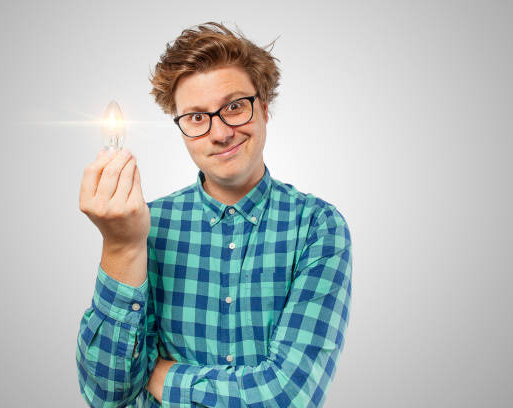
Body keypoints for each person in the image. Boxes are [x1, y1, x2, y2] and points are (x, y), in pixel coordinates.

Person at [76, 22, 352, 407]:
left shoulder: (316, 228)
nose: (219, 132)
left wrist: (161, 374)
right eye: (196, 117)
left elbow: (288, 396)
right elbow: (106, 395)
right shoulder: (145, 227)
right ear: (181, 127)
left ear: (265, 108)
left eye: (235, 106)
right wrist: (122, 247)